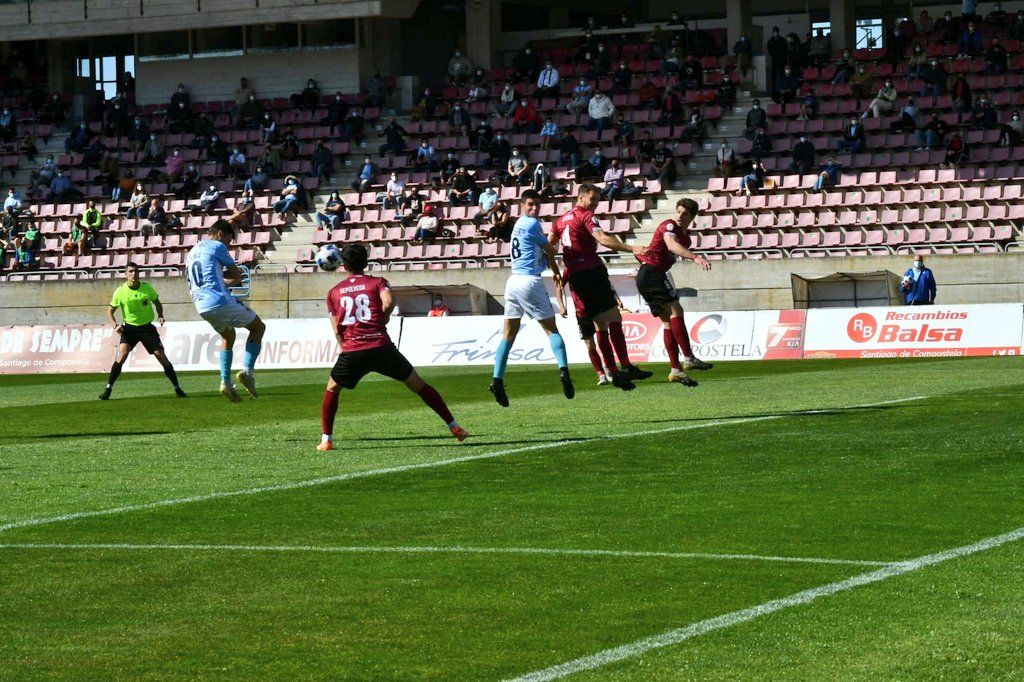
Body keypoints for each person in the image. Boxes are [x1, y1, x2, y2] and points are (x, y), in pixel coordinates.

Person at [318, 244, 467, 451]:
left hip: (353, 350)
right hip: (381, 346)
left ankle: (327, 440)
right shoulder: (377, 282)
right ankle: (454, 426)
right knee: (419, 385)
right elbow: (389, 302)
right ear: (366, 262)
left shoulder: (333, 292)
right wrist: (383, 320)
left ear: (343, 265)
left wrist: (346, 348)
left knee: (332, 389)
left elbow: (336, 329)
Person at [549, 183, 652, 392]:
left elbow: (549, 247)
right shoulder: (586, 216)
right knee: (614, 318)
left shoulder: (560, 221)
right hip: (591, 271)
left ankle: (614, 372)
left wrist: (554, 268)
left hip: (576, 275)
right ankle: (625, 366)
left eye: (597, 200)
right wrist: (631, 247)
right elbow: (603, 239)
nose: (595, 204)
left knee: (600, 325)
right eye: (592, 199)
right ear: (581, 198)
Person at [488, 190, 574, 407]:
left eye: (537, 205)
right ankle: (564, 371)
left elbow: (539, 253)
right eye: (530, 204)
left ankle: (497, 379)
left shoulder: (519, 224)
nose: (534, 208)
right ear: (522, 205)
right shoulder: (533, 225)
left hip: (513, 281)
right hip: (529, 282)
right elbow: (550, 250)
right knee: (552, 330)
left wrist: (550, 266)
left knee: (508, 335)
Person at [634, 198, 712, 386]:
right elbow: (670, 245)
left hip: (649, 274)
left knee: (668, 322)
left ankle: (676, 370)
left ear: (692, 216)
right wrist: (694, 257)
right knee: (677, 310)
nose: (679, 216)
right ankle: (688, 357)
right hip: (652, 274)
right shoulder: (668, 226)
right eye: (678, 211)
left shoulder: (686, 238)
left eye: (684, 213)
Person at [185, 220, 266, 402]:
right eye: (229, 240)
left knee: (227, 337)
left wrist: (220, 282)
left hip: (201, 305)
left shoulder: (192, 251)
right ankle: (247, 372)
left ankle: (225, 382)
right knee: (258, 327)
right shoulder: (217, 246)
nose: (228, 245)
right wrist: (229, 281)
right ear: (220, 234)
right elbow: (236, 276)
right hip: (219, 300)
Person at [99, 263, 187, 400]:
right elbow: (109, 310)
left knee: (161, 356)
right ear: (126, 274)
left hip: (147, 328)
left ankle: (177, 388)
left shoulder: (146, 288)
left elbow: (157, 302)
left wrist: (160, 315)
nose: (134, 274)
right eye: (131, 271)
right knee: (122, 355)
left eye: (136, 271)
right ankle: (108, 389)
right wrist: (115, 325)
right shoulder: (120, 291)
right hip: (129, 329)